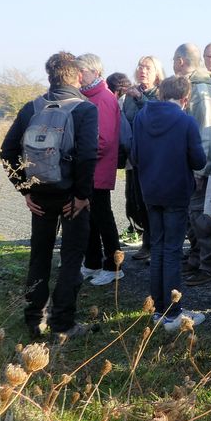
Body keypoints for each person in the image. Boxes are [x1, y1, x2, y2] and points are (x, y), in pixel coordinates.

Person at [0, 51, 98, 340]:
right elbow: (88, 156)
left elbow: (7, 151)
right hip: (71, 197)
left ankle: (34, 320)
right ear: (78, 76)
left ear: (50, 76)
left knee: (39, 256)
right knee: (70, 258)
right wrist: (82, 195)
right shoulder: (85, 109)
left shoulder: (32, 107)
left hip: (40, 194)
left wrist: (24, 189)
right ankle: (63, 323)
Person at [130, 75, 207, 331]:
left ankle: (158, 308)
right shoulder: (185, 121)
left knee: (158, 248)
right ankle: (173, 313)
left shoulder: (141, 117)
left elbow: (135, 155)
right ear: (185, 99)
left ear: (161, 94)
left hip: (150, 190)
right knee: (172, 251)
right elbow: (198, 160)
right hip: (176, 191)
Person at [173, 43, 211, 286]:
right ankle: (195, 259)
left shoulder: (201, 90)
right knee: (192, 217)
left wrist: (199, 169)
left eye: (174, 59)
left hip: (202, 168)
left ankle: (208, 265)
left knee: (203, 219)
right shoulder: (192, 87)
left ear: (181, 61)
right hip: (190, 166)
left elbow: (206, 131)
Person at [76, 53, 122, 287]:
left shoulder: (103, 98)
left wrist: (78, 156)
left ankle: (114, 266)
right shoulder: (86, 97)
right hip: (88, 167)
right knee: (89, 218)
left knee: (102, 217)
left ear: (94, 72)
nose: (78, 76)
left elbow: (102, 140)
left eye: (81, 71)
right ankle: (92, 262)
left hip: (97, 167)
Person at [123, 56, 165, 263]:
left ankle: (155, 246)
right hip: (134, 155)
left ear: (157, 71)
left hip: (154, 156)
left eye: (148, 67)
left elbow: (156, 117)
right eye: (140, 66)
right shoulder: (131, 94)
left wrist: (140, 98)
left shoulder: (161, 92)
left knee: (152, 202)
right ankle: (146, 241)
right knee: (136, 202)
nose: (143, 70)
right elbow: (125, 121)